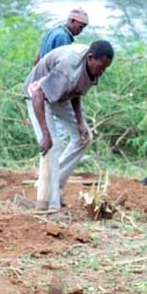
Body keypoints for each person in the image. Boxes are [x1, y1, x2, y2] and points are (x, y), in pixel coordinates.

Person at [24, 40, 113, 212]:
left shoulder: (92, 69)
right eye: (101, 67)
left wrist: (80, 122)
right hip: (37, 96)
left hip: (60, 96)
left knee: (84, 138)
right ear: (90, 58)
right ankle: (52, 205)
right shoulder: (68, 67)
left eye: (106, 68)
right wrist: (45, 134)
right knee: (53, 146)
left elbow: (76, 91)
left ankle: (53, 184)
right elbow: (38, 95)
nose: (102, 72)